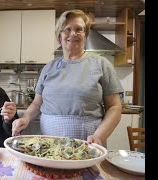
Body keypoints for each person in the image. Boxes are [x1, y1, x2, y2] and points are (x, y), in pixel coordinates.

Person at [12, 10, 124, 146]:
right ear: (60, 36)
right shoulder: (49, 68)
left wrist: (99, 136)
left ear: (86, 34)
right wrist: (26, 118)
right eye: (67, 29)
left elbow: (114, 107)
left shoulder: (101, 64)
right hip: (49, 145)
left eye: (79, 29)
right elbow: (37, 104)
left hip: (88, 144)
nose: (73, 34)